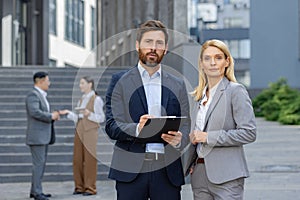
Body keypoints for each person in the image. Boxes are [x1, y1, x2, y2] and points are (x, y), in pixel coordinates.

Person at [105, 20, 190, 200]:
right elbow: (111, 125)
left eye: (159, 43)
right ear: (137, 45)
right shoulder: (119, 81)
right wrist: (137, 128)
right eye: (148, 42)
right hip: (130, 170)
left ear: (166, 48)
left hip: (167, 172)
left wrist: (180, 139)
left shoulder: (178, 84)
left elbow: (186, 123)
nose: (153, 48)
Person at [186, 39, 257, 200]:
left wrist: (208, 137)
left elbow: (249, 133)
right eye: (207, 58)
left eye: (218, 58)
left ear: (227, 62)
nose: (212, 63)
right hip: (199, 174)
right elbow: (194, 136)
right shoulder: (197, 96)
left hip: (228, 176)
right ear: (201, 64)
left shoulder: (235, 91)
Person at [59, 76, 105, 196]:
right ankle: (79, 186)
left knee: (90, 159)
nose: (80, 86)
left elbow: (101, 118)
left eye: (82, 83)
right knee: (77, 159)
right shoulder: (81, 99)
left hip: (90, 131)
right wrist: (68, 113)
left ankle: (90, 188)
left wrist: (89, 114)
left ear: (90, 84)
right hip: (80, 129)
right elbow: (78, 117)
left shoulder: (97, 99)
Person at [25, 71, 60, 200]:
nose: (49, 83)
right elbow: (34, 112)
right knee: (38, 165)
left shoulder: (40, 95)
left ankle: (35, 190)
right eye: (47, 81)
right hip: (37, 137)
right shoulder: (33, 95)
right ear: (40, 81)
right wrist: (51, 116)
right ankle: (36, 192)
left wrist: (53, 115)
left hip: (42, 136)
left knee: (40, 164)